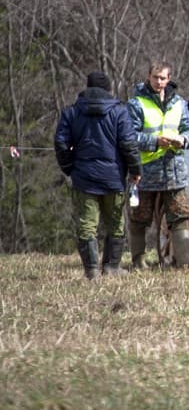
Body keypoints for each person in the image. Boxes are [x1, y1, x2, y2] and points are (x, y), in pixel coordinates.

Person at [55, 71, 142, 278]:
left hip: (83, 178)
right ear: (108, 90)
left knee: (87, 225)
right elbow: (129, 144)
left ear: (87, 87)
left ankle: (91, 270)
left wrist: (69, 167)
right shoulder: (119, 112)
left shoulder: (72, 112)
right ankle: (111, 267)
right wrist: (135, 170)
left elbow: (61, 143)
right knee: (115, 223)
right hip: (113, 177)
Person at [126, 62, 189, 268]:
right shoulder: (136, 104)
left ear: (169, 79)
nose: (158, 82)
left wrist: (183, 139)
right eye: (155, 77)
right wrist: (155, 141)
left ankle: (183, 262)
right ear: (148, 77)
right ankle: (139, 262)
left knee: (180, 215)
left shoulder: (179, 103)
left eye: (162, 78)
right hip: (145, 171)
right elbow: (130, 136)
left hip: (174, 171)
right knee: (139, 217)